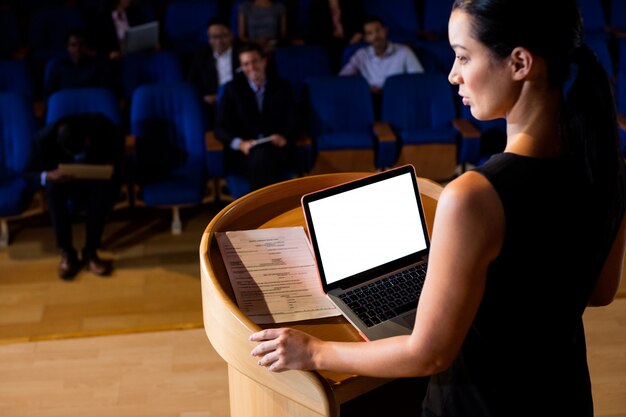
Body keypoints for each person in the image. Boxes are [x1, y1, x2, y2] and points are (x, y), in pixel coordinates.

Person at [249, 1, 626, 415]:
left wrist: (314, 351)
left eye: (463, 56)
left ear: (519, 62)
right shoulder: (609, 166)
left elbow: (427, 355)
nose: (452, 74)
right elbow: (600, 291)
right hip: (563, 396)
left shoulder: (474, 197)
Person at [27, 113, 125, 280]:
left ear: (87, 139)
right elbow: (29, 173)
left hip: (94, 178)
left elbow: (120, 149)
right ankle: (67, 252)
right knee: (52, 189)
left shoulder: (103, 127)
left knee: (101, 190)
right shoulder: (42, 140)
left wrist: (111, 164)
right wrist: (47, 175)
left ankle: (91, 252)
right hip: (63, 181)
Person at [214, 42, 297, 192]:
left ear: (264, 61)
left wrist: (284, 137)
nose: (251, 67)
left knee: (266, 157)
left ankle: (260, 210)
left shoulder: (282, 87)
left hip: (275, 149)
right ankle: (273, 209)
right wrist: (240, 144)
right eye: (246, 64)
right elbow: (220, 128)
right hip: (243, 154)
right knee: (261, 160)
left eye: (255, 61)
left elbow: (293, 121)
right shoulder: (232, 90)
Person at [339, 16, 424, 93]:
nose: (376, 36)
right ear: (366, 38)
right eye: (370, 33)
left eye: (378, 30)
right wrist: (364, 89)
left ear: (386, 30)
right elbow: (342, 78)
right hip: (369, 99)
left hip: (398, 97)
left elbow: (419, 80)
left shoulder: (404, 51)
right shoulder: (361, 54)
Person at [187, 16, 241, 129]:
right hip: (212, 106)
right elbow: (192, 83)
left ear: (231, 35)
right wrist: (205, 97)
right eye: (214, 37)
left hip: (240, 103)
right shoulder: (201, 56)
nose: (218, 41)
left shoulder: (242, 52)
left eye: (223, 36)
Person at [44, 28, 112, 98]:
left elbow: (105, 92)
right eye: (73, 45)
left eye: (81, 44)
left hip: (92, 105)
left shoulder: (98, 65)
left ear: (87, 46)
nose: (78, 49)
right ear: (68, 47)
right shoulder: (57, 67)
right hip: (67, 105)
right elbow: (50, 95)